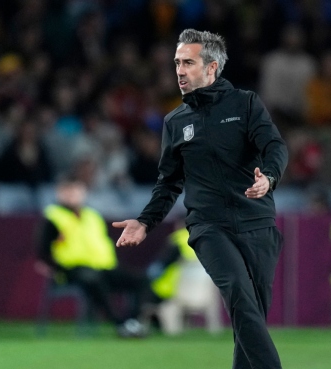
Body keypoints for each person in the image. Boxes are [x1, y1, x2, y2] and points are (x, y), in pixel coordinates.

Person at [113, 29, 288, 369]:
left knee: (250, 317)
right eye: (177, 63)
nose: (179, 70)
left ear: (211, 68)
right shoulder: (175, 122)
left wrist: (268, 177)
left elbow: (275, 147)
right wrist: (145, 220)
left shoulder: (245, 103)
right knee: (238, 293)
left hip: (257, 222)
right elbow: (168, 183)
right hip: (210, 227)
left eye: (188, 63)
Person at [35, 173, 149, 338]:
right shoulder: (52, 217)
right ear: (59, 193)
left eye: (76, 191)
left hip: (103, 266)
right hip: (71, 270)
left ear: (84, 193)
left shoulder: (93, 216)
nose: (72, 195)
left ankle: (132, 322)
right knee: (93, 278)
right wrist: (57, 269)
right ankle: (119, 324)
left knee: (141, 280)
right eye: (68, 191)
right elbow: (43, 251)